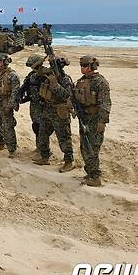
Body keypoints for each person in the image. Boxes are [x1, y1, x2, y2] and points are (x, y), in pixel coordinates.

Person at [74, 55, 111, 187]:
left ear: (92, 67)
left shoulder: (100, 82)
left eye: (84, 66)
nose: (82, 68)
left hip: (95, 120)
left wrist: (102, 122)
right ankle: (90, 172)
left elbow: (105, 104)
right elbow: (75, 97)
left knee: (92, 148)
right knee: (84, 147)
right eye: (81, 66)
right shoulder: (81, 81)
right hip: (84, 118)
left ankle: (95, 177)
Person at [34, 57, 75, 173]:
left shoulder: (65, 79)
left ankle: (69, 161)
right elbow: (35, 69)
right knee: (42, 134)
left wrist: (55, 85)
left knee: (64, 137)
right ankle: (45, 157)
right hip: (48, 109)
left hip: (60, 111)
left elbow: (68, 96)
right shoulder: (48, 77)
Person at [0, 53, 20, 158]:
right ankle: (1, 143)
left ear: (6, 62)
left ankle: (12, 149)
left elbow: (15, 93)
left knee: (8, 126)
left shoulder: (12, 75)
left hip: (6, 102)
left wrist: (10, 106)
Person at [19, 54, 47, 151]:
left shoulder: (45, 74)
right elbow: (25, 87)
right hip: (34, 104)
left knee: (41, 127)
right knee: (35, 126)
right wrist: (22, 98)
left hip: (43, 105)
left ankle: (43, 149)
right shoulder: (31, 75)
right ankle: (38, 146)